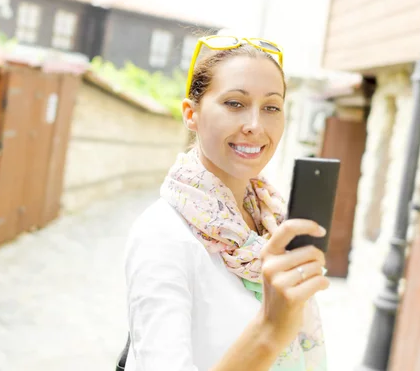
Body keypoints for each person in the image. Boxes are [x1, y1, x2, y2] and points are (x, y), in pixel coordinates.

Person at [122, 36, 329, 371]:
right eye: (234, 103)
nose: (255, 126)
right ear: (191, 114)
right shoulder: (163, 235)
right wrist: (270, 329)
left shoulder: (273, 222)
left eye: (271, 107)